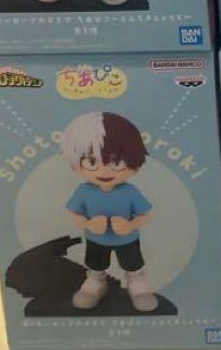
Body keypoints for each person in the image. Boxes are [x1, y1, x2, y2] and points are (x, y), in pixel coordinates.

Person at [62, 111, 157, 312]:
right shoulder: (84, 191)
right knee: (96, 265)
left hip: (128, 240)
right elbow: (74, 213)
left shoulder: (130, 192)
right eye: (92, 162)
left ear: (134, 163)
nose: (104, 171)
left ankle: (137, 284)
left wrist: (131, 225)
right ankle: (95, 283)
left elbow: (145, 214)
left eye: (116, 162)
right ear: (76, 164)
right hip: (96, 240)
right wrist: (88, 224)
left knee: (133, 265)